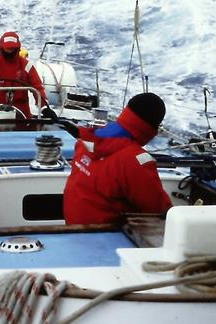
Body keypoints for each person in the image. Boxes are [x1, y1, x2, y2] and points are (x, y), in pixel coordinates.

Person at [63, 92, 172, 225]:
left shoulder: (87, 141)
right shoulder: (135, 161)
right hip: (107, 236)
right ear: (152, 127)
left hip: (74, 229)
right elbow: (158, 209)